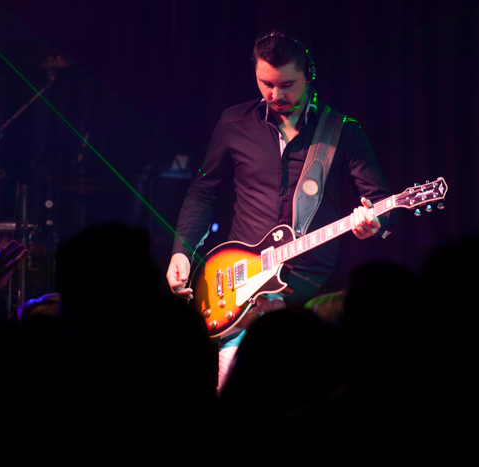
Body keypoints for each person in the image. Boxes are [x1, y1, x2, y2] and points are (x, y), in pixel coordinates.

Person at [166, 23, 394, 387]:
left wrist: (374, 222)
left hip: (311, 288)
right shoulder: (234, 123)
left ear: (309, 74)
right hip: (240, 287)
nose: (275, 95)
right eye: (266, 84)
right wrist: (182, 250)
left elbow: (381, 201)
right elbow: (203, 192)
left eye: (287, 84)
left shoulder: (342, 131)